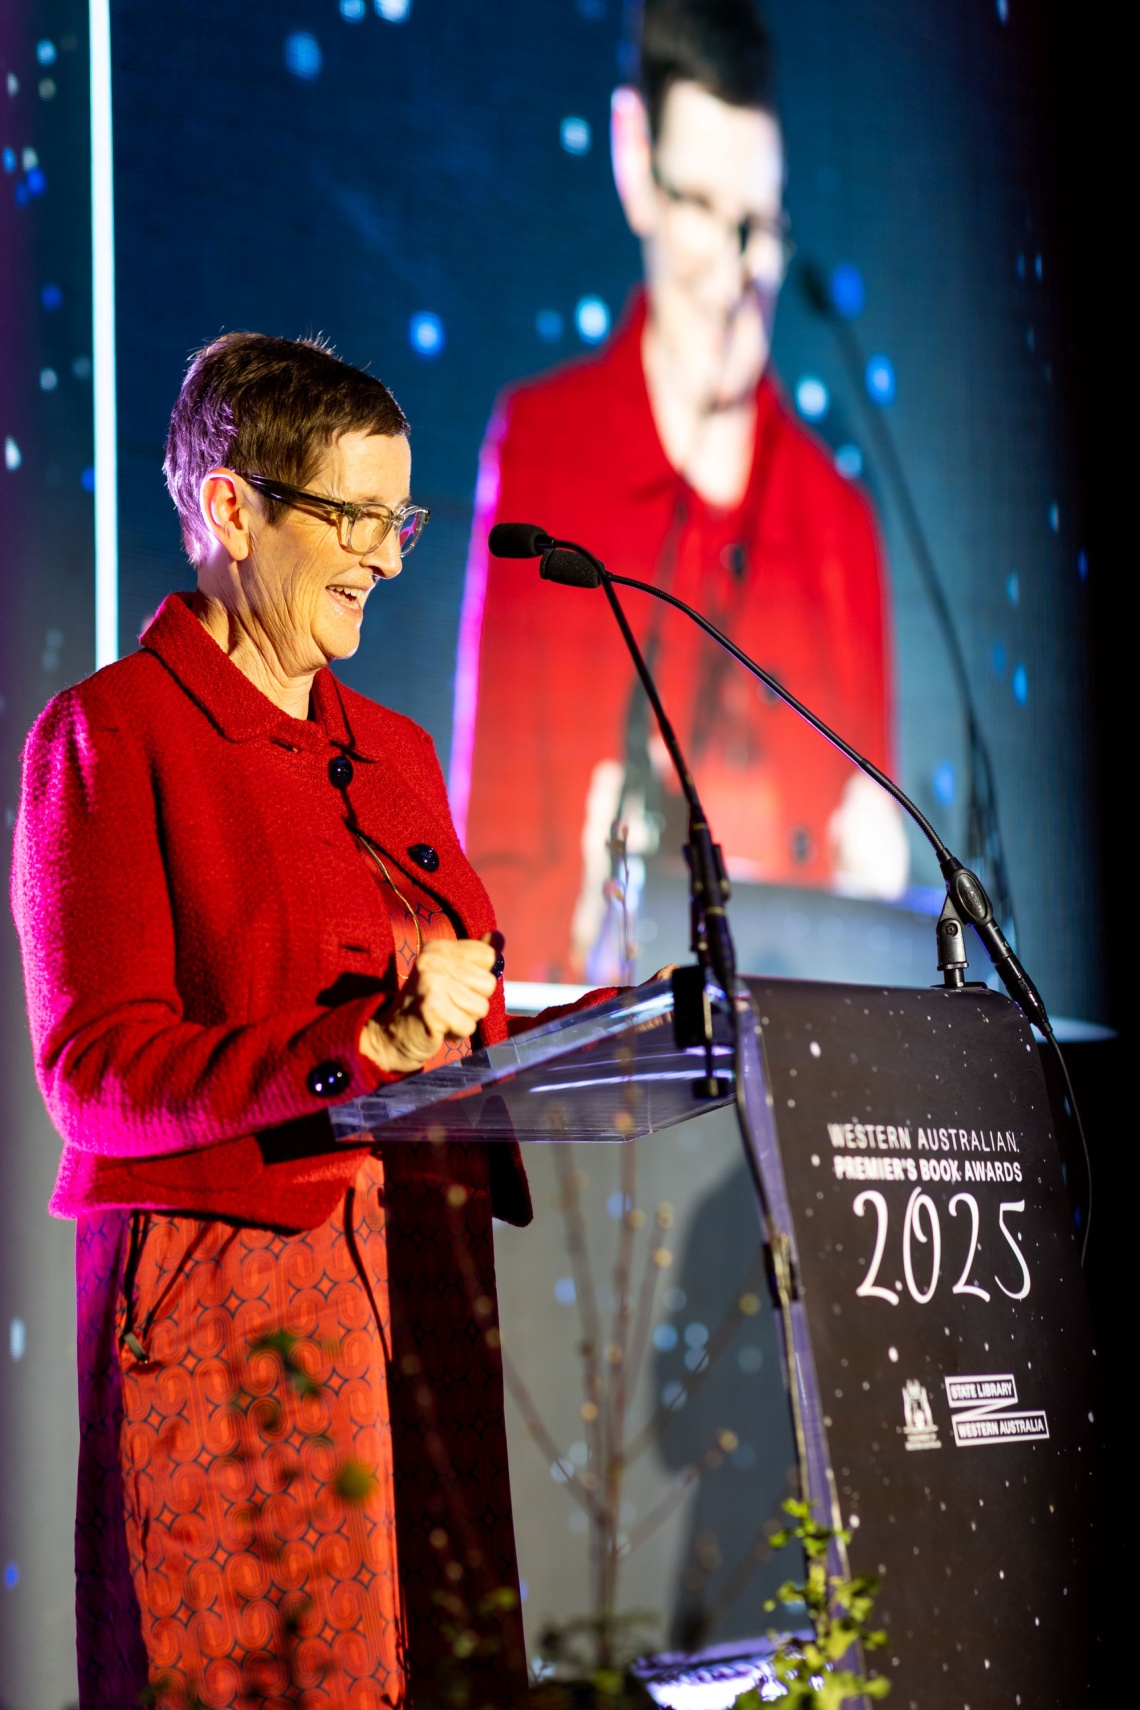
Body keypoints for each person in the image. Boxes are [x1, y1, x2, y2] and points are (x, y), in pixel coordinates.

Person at [11, 334, 599, 1709]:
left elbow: (457, 985)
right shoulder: (111, 734)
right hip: (231, 1304)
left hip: (422, 1280)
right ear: (231, 509)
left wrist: (560, 1026)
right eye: (353, 518)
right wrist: (362, 1045)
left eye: (401, 519)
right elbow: (95, 1073)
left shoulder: (393, 748)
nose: (389, 556)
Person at [452, 0, 909, 983]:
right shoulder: (548, 452)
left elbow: (858, 919)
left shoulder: (841, 526)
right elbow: (482, 880)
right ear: (633, 160)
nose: (732, 268)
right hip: (600, 1104)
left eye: (758, 223)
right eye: (699, 205)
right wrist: (581, 922)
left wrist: (884, 909)